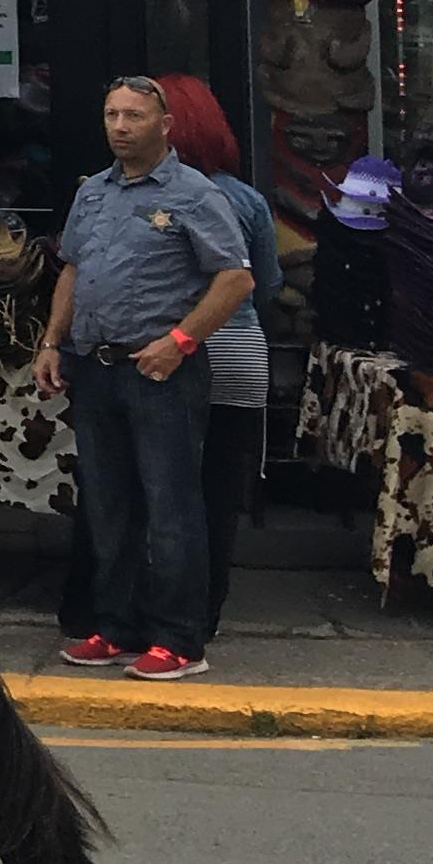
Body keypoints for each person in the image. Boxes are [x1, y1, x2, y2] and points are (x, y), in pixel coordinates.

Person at [34, 76, 255, 682]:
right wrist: (53, 341)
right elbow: (74, 269)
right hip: (95, 365)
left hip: (160, 369)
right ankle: (117, 626)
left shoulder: (195, 194)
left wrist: (181, 342)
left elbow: (235, 279)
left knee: (170, 506)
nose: (120, 126)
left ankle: (180, 640)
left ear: (166, 125)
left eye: (134, 115)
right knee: (108, 505)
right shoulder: (93, 194)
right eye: (111, 115)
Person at [152, 73, 275, 641]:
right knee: (220, 490)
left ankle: (164, 610)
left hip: (173, 349)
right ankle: (207, 612)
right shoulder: (246, 198)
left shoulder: (153, 194)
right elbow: (265, 282)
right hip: (240, 348)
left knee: (164, 487)